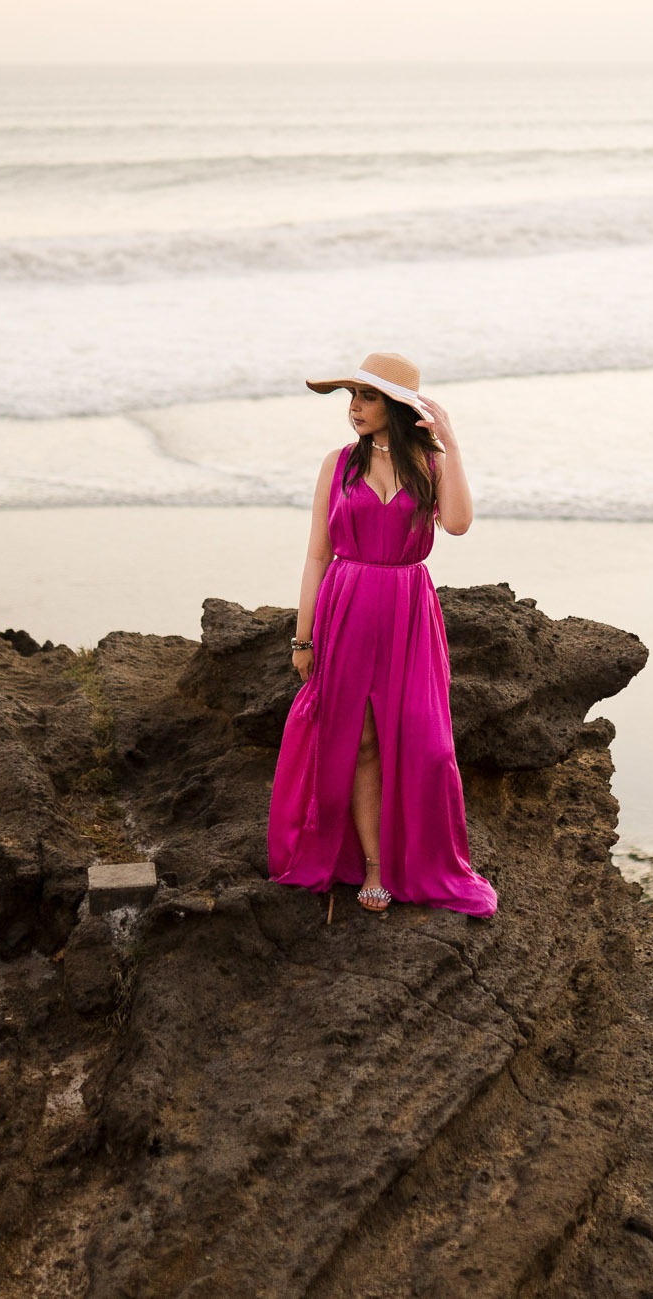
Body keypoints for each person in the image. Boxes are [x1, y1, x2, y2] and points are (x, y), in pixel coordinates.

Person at [265, 352, 499, 920]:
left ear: (395, 405)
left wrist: (452, 444)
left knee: (428, 742)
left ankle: (421, 860)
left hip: (409, 611)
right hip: (345, 606)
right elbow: (318, 553)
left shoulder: (430, 464)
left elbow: (461, 522)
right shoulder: (338, 464)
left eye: (365, 398)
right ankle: (372, 866)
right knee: (361, 740)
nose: (354, 409)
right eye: (351, 398)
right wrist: (303, 638)